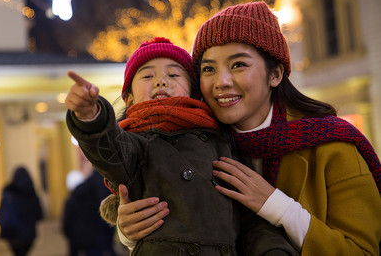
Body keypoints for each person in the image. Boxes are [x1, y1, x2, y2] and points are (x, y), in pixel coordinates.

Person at [115, 2, 381, 255]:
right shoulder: (191, 146)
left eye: (238, 64)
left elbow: (363, 251)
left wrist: (276, 206)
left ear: (275, 74)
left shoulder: (332, 147)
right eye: (209, 68)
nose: (222, 81)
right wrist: (131, 232)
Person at [65, 37, 298, 255]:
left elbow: (248, 220)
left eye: (174, 75)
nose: (161, 80)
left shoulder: (220, 140)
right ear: (129, 99)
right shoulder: (135, 143)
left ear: (195, 93)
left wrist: (274, 250)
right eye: (147, 77)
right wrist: (91, 116)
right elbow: (109, 150)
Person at [62, 154, 117, 256]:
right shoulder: (107, 179)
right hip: (95, 231)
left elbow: (66, 222)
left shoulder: (70, 200)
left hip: (77, 237)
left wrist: (69, 234)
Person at [0, 166, 43, 256]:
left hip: (13, 234)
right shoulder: (32, 193)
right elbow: (39, 214)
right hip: (28, 234)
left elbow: (2, 213)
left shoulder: (9, 193)